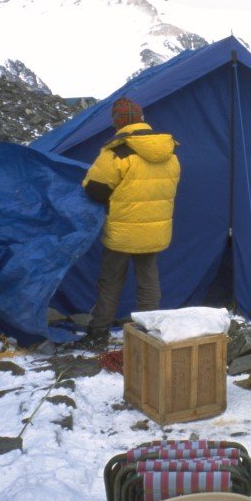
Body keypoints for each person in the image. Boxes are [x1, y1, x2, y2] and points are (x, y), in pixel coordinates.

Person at [82, 97, 181, 344]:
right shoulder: (169, 152)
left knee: (111, 282)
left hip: (121, 233)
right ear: (142, 119)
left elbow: (95, 190)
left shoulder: (117, 151)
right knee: (148, 283)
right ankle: (148, 334)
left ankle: (98, 333)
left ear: (118, 123)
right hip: (156, 231)